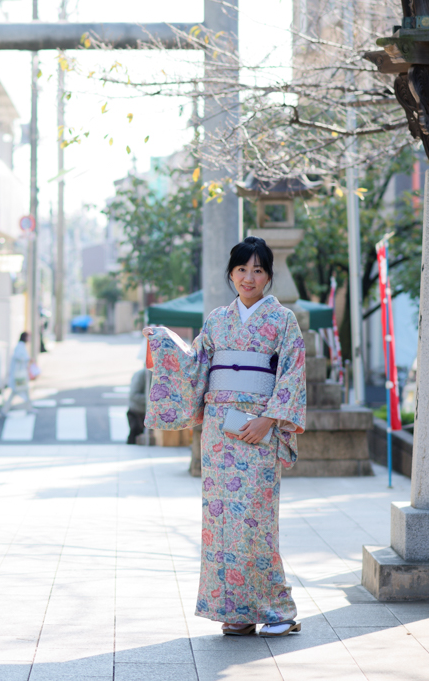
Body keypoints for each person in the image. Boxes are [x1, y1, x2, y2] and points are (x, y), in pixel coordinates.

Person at [142, 236, 306, 638]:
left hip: (259, 430)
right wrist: (165, 345)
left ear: (269, 276)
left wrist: (268, 420)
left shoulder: (282, 321)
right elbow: (197, 367)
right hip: (220, 433)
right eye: (241, 269)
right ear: (230, 273)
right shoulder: (217, 320)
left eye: (258, 270)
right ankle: (235, 610)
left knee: (255, 522)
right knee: (220, 524)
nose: (249, 277)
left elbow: (291, 374)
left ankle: (277, 609)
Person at [1, 332, 33, 414]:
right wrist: (27, 359)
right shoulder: (20, 346)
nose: (29, 339)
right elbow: (18, 356)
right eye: (28, 337)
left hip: (19, 374)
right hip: (18, 375)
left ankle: (28, 408)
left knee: (22, 391)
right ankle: (5, 410)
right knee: (20, 391)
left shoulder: (21, 346)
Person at [127, 368, 148, 444]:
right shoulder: (141, 375)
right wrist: (151, 399)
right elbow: (133, 395)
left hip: (145, 412)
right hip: (136, 412)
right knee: (135, 435)